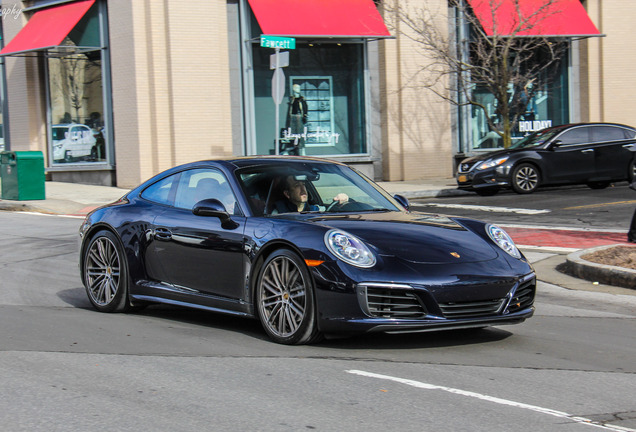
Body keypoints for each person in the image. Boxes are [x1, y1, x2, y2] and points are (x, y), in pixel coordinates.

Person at [273, 175, 348, 214]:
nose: (303, 189)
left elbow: (331, 212)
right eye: (297, 185)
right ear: (287, 194)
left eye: (303, 184)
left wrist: (340, 203)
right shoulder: (278, 213)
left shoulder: (316, 210)